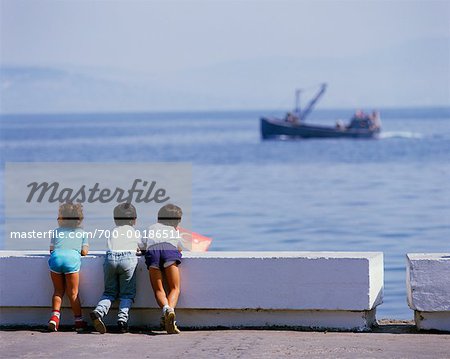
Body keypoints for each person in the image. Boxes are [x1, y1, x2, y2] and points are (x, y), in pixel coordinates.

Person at [90, 203, 144, 334]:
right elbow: (142, 247)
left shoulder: (112, 231)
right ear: (134, 220)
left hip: (111, 259)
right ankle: (122, 321)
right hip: (128, 260)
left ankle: (99, 312)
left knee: (109, 292)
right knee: (127, 294)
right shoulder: (134, 232)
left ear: (115, 219)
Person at [142, 204, 186, 334]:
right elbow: (180, 247)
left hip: (153, 252)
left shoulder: (150, 228)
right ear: (177, 221)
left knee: (158, 290)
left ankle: (166, 309)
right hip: (169, 250)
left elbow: (141, 245)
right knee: (175, 288)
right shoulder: (174, 231)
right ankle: (170, 312)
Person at [48, 202, 89, 332]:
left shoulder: (56, 232)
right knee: (73, 293)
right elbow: (84, 252)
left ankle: (54, 318)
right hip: (71, 261)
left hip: (56, 259)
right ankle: (79, 321)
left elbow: (51, 250)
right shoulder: (82, 233)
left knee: (58, 291)